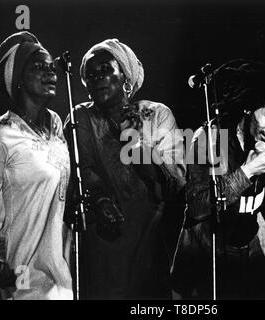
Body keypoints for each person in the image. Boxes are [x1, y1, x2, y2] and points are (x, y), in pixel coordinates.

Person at [170, 59, 265, 299]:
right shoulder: (212, 137)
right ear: (249, 109)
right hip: (205, 257)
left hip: (246, 255)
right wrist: (246, 172)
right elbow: (197, 206)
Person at [65, 38, 186, 299]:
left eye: (106, 69)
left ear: (125, 77)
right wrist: (101, 199)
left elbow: (175, 182)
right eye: (91, 73)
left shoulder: (156, 114)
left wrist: (132, 136)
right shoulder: (81, 117)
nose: (97, 77)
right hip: (105, 245)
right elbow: (82, 170)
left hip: (152, 240)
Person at [0, 32, 72, 299]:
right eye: (38, 67)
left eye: (51, 67)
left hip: (60, 274)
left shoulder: (56, 126)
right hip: (21, 278)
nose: (50, 72)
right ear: (16, 77)